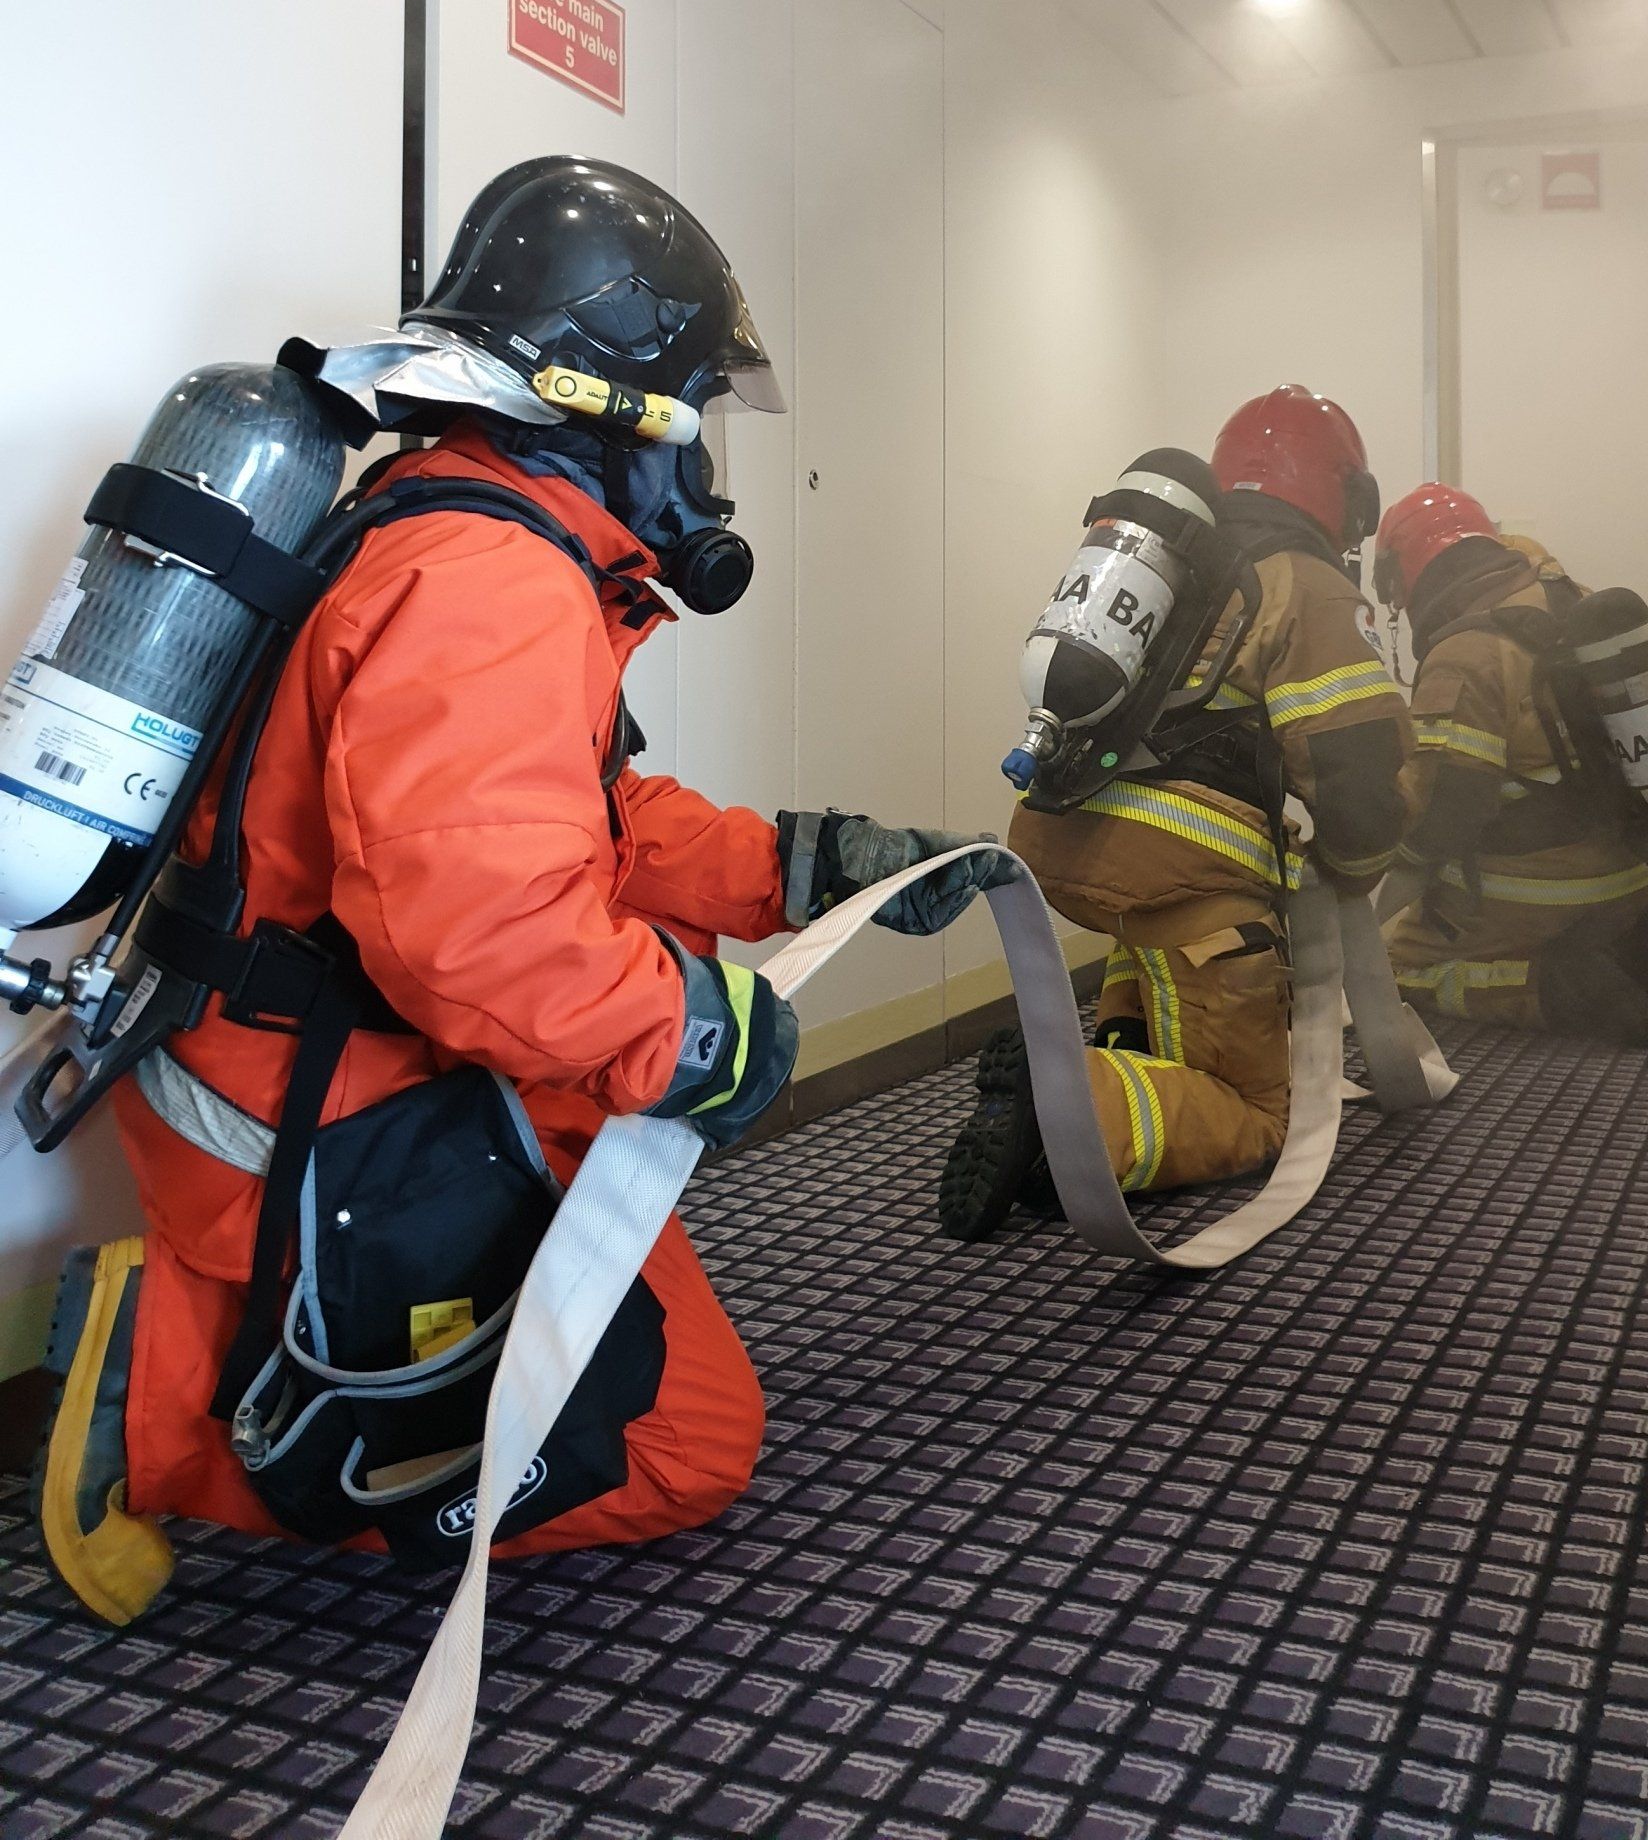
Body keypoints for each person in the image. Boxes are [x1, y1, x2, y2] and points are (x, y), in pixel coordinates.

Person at [39, 155, 995, 1624]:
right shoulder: (491, 580)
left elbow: (567, 822)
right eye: (696, 415)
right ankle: (153, 1398)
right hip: (321, 1107)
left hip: (331, 1064)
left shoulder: (467, 532)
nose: (703, 465)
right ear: (607, 408)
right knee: (681, 1446)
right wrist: (693, 1034)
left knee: (618, 1350)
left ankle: (215, 1339)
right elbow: (478, 935)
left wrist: (800, 867)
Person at [940, 387, 1411, 1238]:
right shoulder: (1306, 584)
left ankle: (1121, 1058)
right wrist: (1352, 868)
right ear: (1339, 491)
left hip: (1062, 842)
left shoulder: (1175, 572)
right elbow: (1359, 771)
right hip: (1185, 875)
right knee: (1260, 1107)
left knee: (1162, 941)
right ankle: (1072, 1112)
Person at [1372, 482, 1648, 1044]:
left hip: (1528, 906)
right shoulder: (1575, 600)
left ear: (1406, 574)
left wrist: (1361, 898)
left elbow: (1441, 820)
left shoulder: (1465, 654)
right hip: (1631, 880)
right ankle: (1636, 946)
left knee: (1397, 969)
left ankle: (1556, 985)